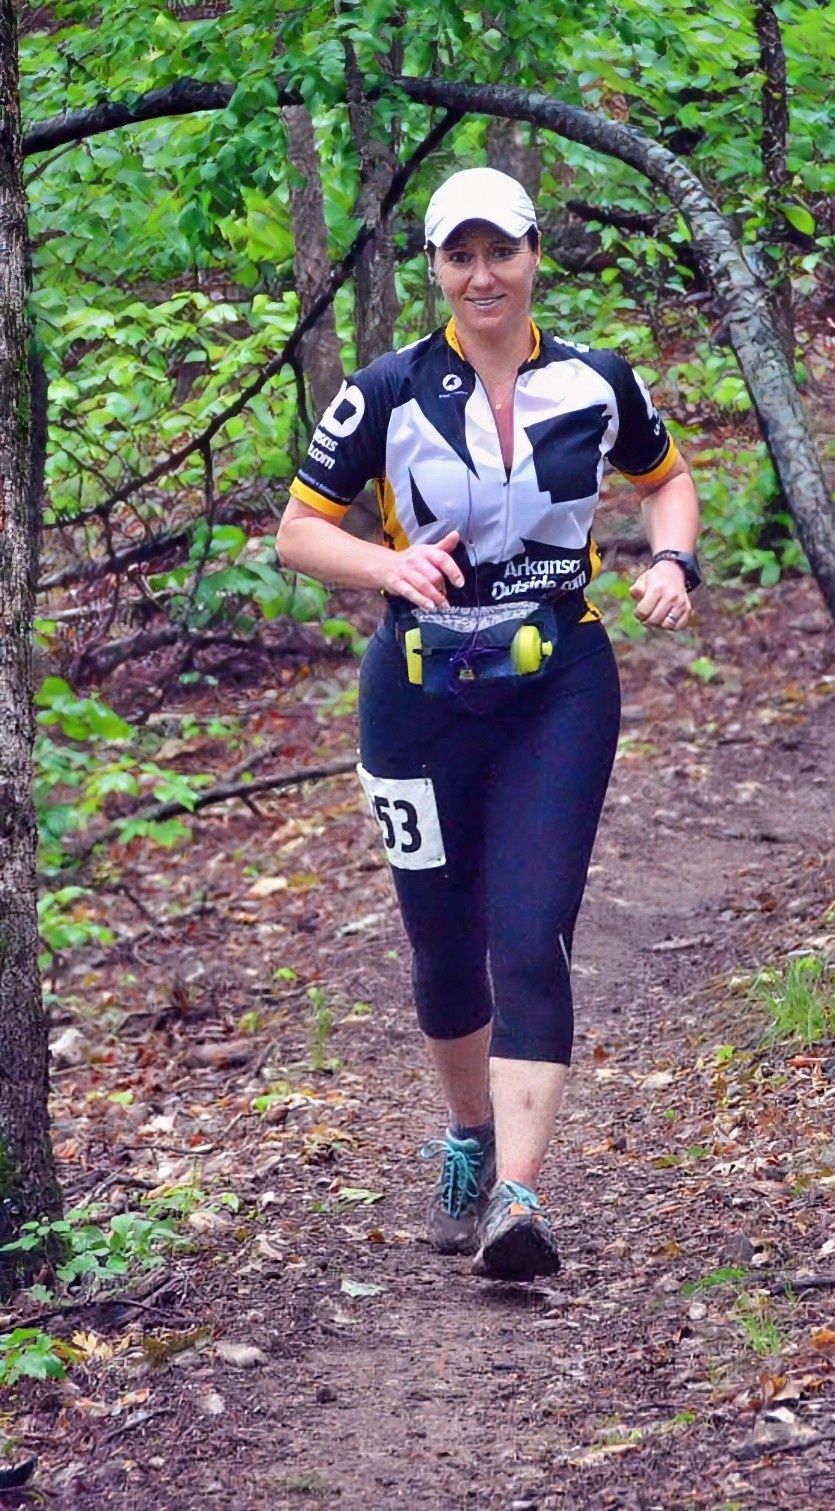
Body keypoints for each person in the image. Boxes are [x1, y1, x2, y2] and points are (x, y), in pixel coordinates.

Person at [276, 166, 700, 1283]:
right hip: (416, 694)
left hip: (560, 681)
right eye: (458, 257)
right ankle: (466, 1138)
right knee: (441, 946)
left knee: (531, 932)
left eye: (498, 251)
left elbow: (668, 478)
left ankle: (519, 1194)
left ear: (532, 256)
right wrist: (386, 559)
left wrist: (673, 558)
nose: (481, 275)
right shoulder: (384, 391)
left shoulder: (598, 382)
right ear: (434, 270)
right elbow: (297, 532)